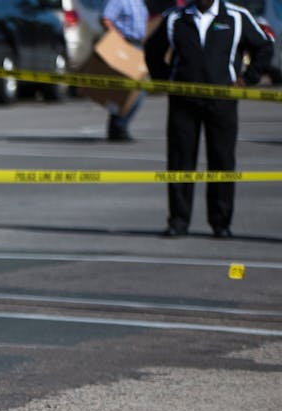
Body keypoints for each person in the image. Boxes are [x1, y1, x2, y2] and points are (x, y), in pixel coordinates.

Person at [145, 0, 274, 237]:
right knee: (180, 161)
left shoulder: (236, 16)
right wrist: (164, 79)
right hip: (183, 102)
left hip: (222, 102)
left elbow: (265, 46)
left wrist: (248, 78)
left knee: (222, 161)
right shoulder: (176, 18)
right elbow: (152, 50)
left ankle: (221, 222)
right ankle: (178, 221)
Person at [100, 0, 150, 141]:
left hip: (138, 46)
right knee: (131, 90)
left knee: (137, 89)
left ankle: (118, 126)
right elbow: (105, 19)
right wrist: (118, 39)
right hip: (126, 46)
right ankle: (118, 127)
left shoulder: (139, 2)